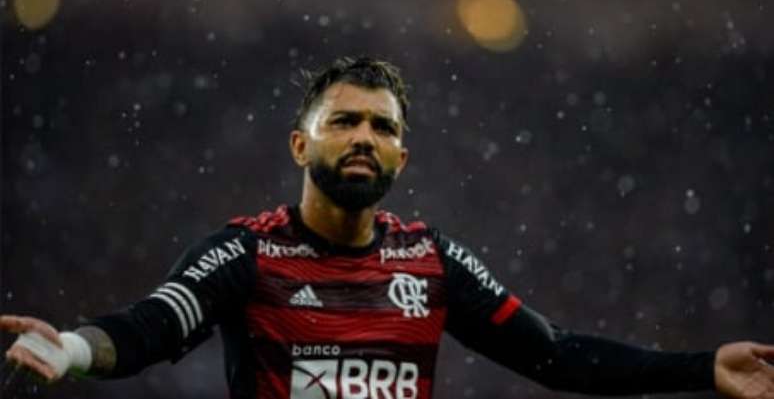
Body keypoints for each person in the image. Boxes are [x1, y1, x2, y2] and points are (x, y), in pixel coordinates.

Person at [2, 57, 773, 399]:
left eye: (381, 124)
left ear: (403, 151)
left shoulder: (431, 259)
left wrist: (703, 368)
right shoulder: (247, 252)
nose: (363, 135)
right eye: (343, 120)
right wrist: (68, 348)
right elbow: (145, 330)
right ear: (302, 144)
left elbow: (556, 353)